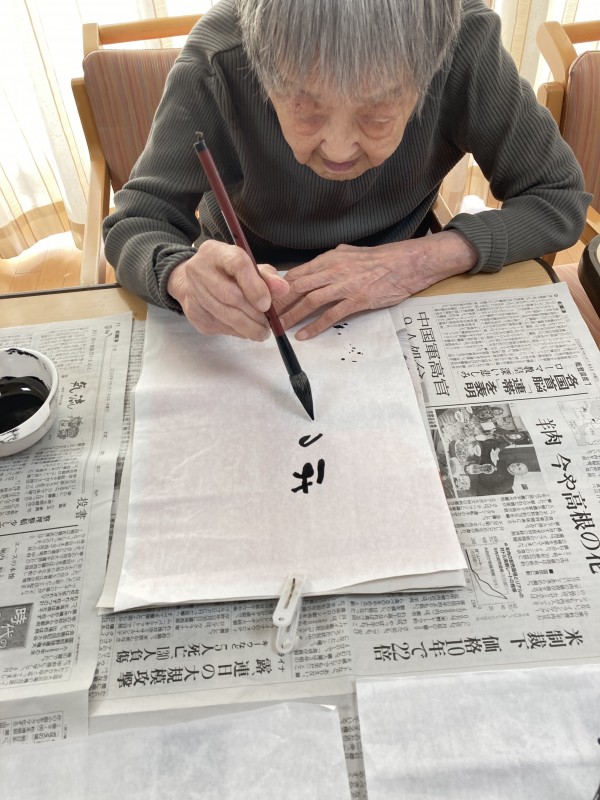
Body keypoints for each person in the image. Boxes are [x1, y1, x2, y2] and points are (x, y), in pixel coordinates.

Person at [103, 0, 591, 343]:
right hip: (249, 287)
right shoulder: (220, 58)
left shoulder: (462, 43)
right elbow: (137, 220)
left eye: (377, 116)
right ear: (263, 73)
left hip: (404, 279)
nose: (338, 150)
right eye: (305, 109)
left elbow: (558, 197)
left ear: (426, 79)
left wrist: (418, 260)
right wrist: (180, 275)